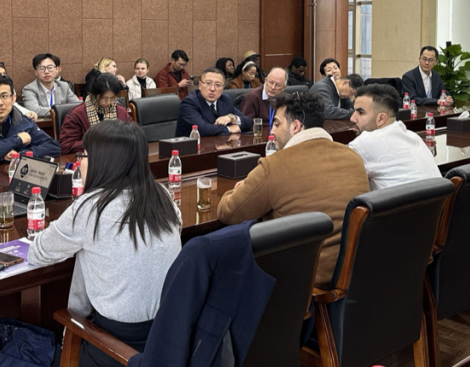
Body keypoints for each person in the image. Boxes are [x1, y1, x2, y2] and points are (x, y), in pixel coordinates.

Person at [28, 121, 181, 367]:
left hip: (116, 357)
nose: (79, 163)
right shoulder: (161, 196)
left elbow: (38, 253)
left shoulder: (91, 207)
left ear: (103, 161)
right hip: (168, 347)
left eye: (84, 156)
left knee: (44, 358)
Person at [217, 91, 368, 287]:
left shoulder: (275, 165)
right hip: (353, 276)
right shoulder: (353, 157)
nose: (272, 131)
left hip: (297, 285)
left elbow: (228, 213)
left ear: (296, 127)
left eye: (277, 124)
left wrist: (237, 189)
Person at [349, 84, 440, 190]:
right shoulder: (414, 137)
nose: (352, 118)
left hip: (402, 200)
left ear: (381, 119)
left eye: (360, 112)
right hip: (436, 200)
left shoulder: (363, 143)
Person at [59, 73, 133, 153]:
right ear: (94, 94)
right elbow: (66, 145)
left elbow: (133, 135)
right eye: (104, 98)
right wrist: (97, 143)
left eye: (112, 98)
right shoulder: (77, 114)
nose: (108, 102)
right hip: (90, 157)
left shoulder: (121, 111)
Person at [175, 68, 253, 137]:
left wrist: (232, 118)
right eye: (208, 83)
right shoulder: (189, 102)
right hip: (192, 147)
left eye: (218, 85)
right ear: (200, 85)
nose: (212, 89)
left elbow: (248, 122)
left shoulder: (225, 100)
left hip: (219, 144)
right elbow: (202, 129)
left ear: (223, 88)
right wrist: (229, 129)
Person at [22, 53, 80, 118]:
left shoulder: (64, 86)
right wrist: (59, 110)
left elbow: (78, 106)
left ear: (57, 69)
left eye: (50, 67)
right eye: (41, 68)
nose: (46, 71)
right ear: (36, 72)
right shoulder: (29, 89)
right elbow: (34, 110)